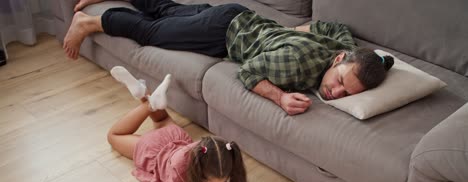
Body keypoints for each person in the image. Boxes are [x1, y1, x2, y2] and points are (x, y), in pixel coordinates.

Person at [65, 0, 394, 115]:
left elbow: (332, 26)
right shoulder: (295, 64)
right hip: (220, 34)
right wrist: (279, 97)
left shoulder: (342, 47)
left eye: (347, 93)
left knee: (166, 11)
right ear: (337, 63)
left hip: (235, 16)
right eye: (339, 83)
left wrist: (290, 32)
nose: (336, 93)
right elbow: (248, 72)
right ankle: (90, 21)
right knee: (152, 32)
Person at [107, 66, 252, 182]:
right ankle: (147, 105)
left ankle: (144, 93)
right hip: (153, 150)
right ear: (197, 172)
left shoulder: (211, 152)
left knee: (160, 116)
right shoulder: (180, 168)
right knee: (114, 136)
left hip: (175, 135)